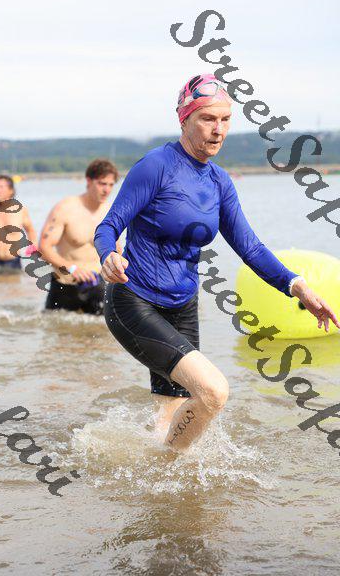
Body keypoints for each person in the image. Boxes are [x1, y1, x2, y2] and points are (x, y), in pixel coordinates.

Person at [93, 73, 340, 452]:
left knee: (169, 414)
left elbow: (250, 248)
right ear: (184, 120)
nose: (218, 129)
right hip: (134, 300)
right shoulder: (156, 166)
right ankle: (162, 465)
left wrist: (297, 286)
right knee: (213, 392)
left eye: (225, 119)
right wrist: (108, 254)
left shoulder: (220, 182)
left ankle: (155, 474)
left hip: (183, 307)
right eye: (207, 118)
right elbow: (109, 225)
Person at [39, 159, 120, 315]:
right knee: (56, 327)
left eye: (111, 185)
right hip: (66, 284)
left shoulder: (110, 211)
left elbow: (116, 248)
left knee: (101, 329)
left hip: (98, 284)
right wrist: (72, 268)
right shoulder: (66, 208)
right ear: (89, 181)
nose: (107, 190)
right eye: (102, 184)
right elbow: (44, 248)